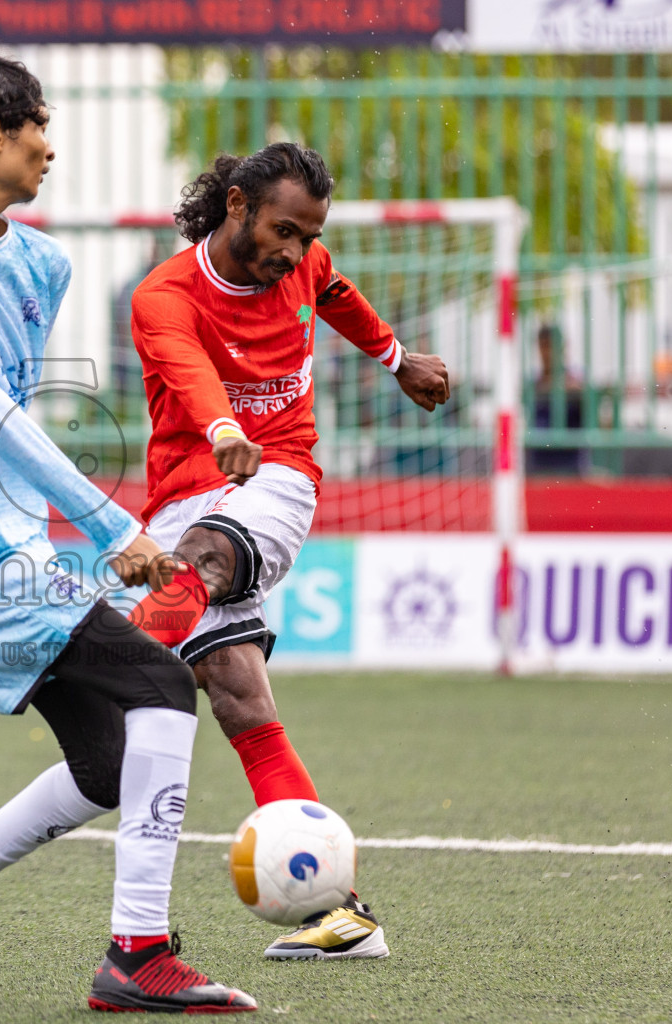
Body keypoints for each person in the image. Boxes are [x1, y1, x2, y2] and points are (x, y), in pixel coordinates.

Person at [0, 45, 255, 1013]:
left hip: (1, 542)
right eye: (37, 126)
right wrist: (109, 526)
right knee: (161, 682)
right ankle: (139, 955)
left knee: (112, 761)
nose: (49, 149)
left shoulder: (44, 261)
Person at [124, 143, 451, 962]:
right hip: (184, 487)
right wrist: (223, 426)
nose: (295, 252)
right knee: (238, 694)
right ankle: (341, 914)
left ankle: (92, 666)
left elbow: (335, 290)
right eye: (282, 231)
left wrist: (397, 359)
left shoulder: (305, 263)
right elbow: (189, 371)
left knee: (195, 571)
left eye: (307, 236)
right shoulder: (165, 295)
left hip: (279, 476)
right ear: (236, 204)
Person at [527, 324, 588, 477]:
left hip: (570, 466)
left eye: (551, 346)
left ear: (563, 347)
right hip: (538, 465)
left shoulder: (576, 383)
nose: (547, 353)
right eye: (543, 346)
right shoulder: (532, 385)